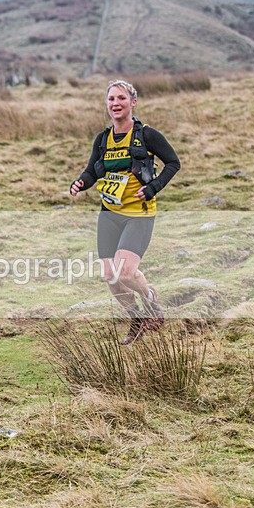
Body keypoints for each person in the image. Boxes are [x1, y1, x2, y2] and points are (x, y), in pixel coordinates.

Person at [70, 80, 180, 345]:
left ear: (133, 102)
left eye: (121, 98)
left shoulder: (147, 135)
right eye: (111, 99)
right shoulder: (103, 139)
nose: (115, 104)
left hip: (139, 214)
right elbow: (92, 171)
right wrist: (80, 183)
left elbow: (173, 163)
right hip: (109, 214)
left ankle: (151, 299)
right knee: (110, 276)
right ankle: (137, 319)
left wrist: (153, 187)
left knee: (127, 272)